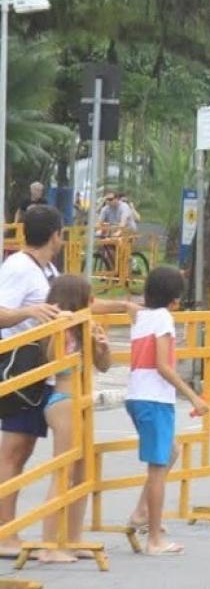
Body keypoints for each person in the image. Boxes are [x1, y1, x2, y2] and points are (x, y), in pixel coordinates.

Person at [0, 205, 85, 557]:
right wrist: (29, 312)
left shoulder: (48, 269)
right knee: (13, 451)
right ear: (56, 235)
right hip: (21, 369)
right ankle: (5, 533)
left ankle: (19, 531)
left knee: (25, 450)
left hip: (43, 372)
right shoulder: (18, 267)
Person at [126, 267, 208, 555]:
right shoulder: (163, 319)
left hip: (137, 396)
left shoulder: (140, 315)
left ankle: (140, 512)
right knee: (158, 468)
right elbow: (163, 365)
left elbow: (125, 305)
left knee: (170, 451)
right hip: (155, 399)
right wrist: (193, 397)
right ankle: (154, 539)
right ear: (174, 300)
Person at [36, 275, 112, 563]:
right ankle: (48, 545)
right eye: (89, 298)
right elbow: (53, 354)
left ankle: (73, 538)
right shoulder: (62, 328)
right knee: (63, 473)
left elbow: (104, 366)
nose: (93, 303)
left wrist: (101, 346)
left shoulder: (87, 327)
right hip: (64, 401)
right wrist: (69, 320)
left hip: (81, 402)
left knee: (82, 473)